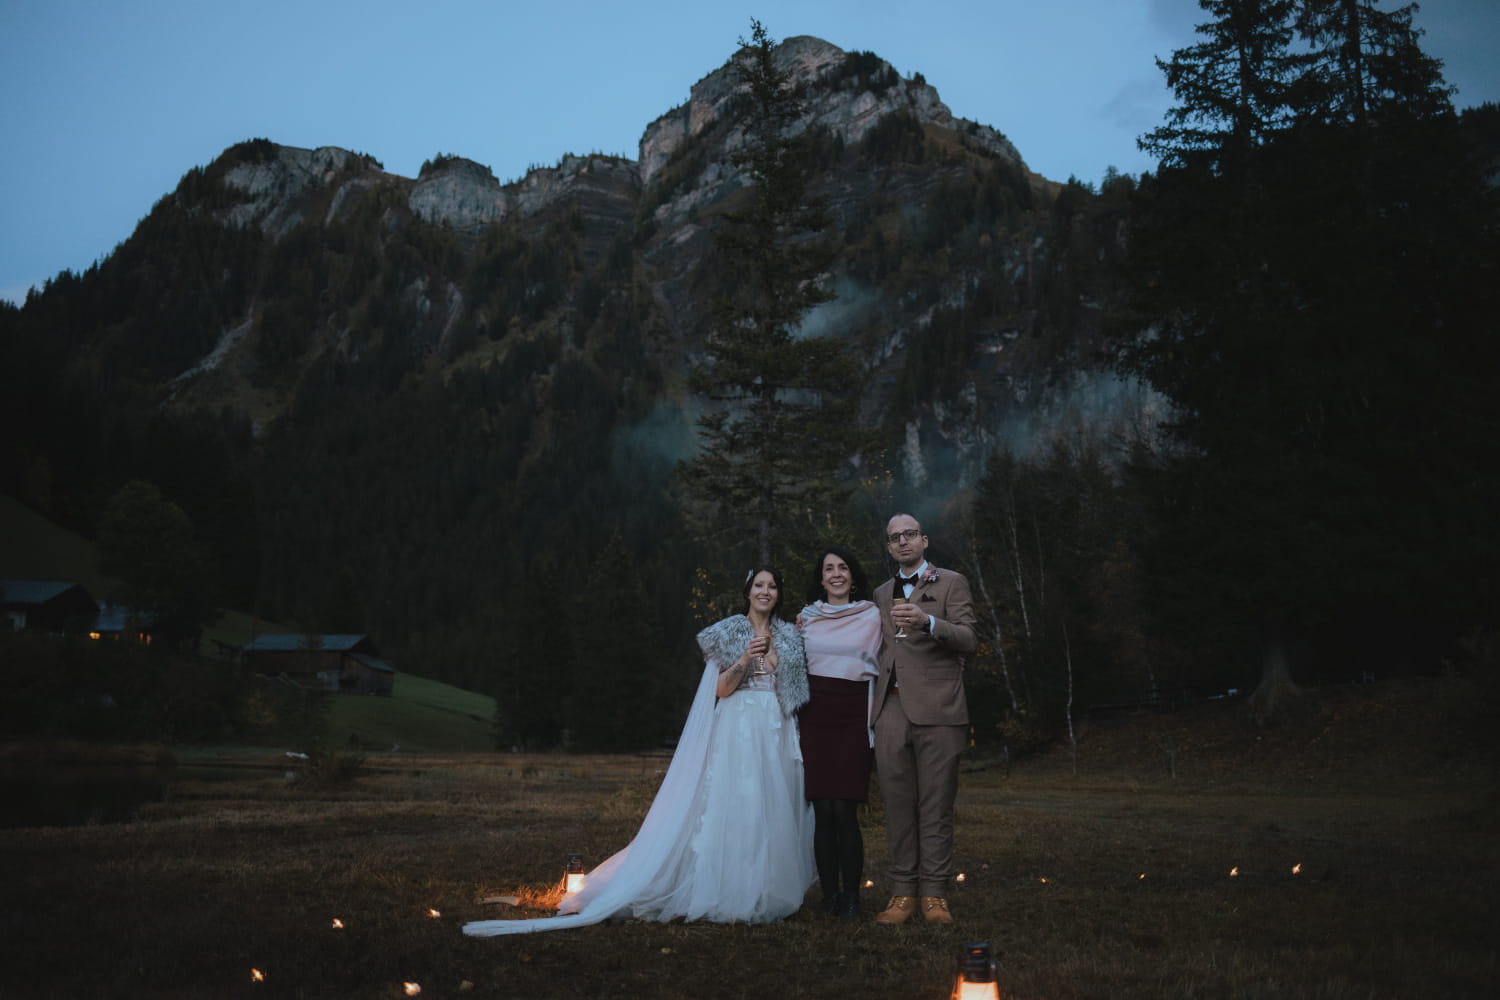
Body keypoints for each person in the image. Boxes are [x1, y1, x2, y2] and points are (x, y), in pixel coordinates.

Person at [463, 567, 814, 936]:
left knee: (770, 804)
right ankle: (730, 888)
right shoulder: (728, 632)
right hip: (738, 727)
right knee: (738, 801)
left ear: (778, 593)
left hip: (774, 728)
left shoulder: (789, 636)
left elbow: (794, 688)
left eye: (772, 586)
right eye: (759, 585)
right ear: (748, 591)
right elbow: (720, 690)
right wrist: (743, 659)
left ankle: (765, 887)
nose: (765, 591)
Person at [871, 513, 977, 925]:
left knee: (936, 805)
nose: (902, 541)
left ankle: (934, 894)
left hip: (940, 708)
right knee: (897, 806)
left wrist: (929, 622)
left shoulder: (952, 582)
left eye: (909, 534)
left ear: (924, 540)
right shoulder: (881, 593)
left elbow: (968, 638)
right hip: (890, 708)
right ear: (889, 546)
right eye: (894, 537)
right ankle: (902, 893)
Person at [796, 547, 881, 920]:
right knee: (822, 810)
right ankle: (829, 896)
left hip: (853, 711)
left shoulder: (872, 615)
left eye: (843, 567)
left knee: (845, 810)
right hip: (815, 712)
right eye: (828, 568)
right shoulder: (806, 618)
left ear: (853, 575)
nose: (836, 574)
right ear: (821, 578)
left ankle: (852, 897)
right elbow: (789, 665)